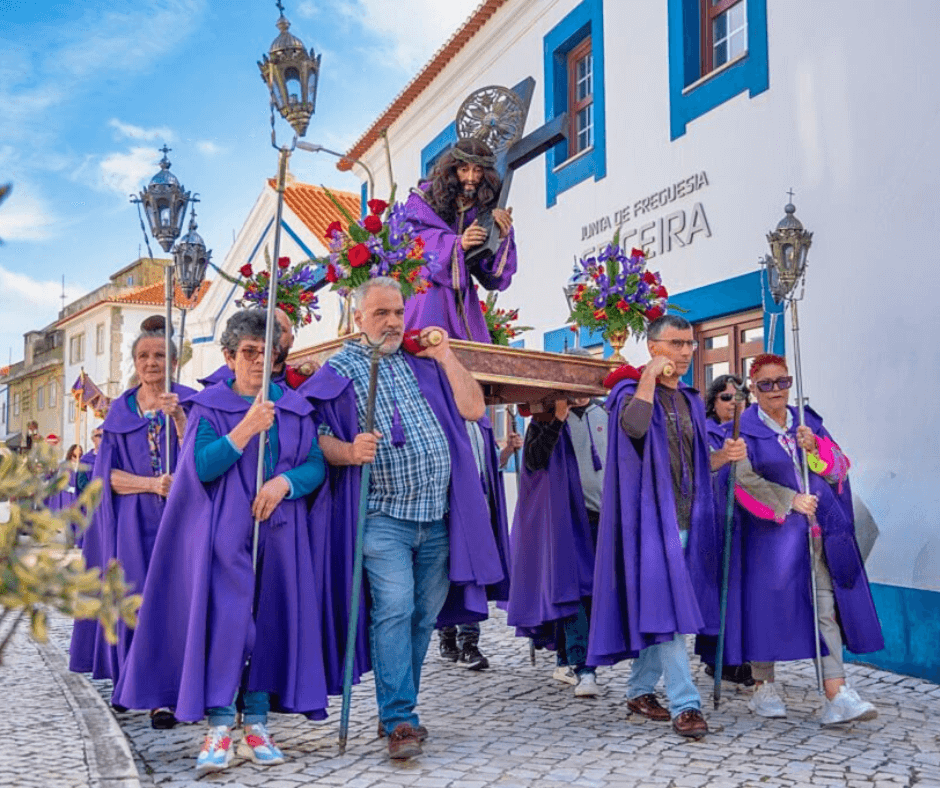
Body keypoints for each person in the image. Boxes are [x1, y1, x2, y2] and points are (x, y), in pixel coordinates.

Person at [112, 310, 329, 774]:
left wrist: (284, 483)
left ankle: (257, 722)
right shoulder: (209, 407)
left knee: (270, 622)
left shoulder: (294, 406)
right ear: (229, 357)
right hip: (225, 534)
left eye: (267, 353)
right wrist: (246, 428)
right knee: (228, 624)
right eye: (248, 352)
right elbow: (201, 467)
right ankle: (219, 724)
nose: (258, 361)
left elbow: (314, 464)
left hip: (281, 532)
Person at [302, 277, 502, 760]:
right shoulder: (340, 369)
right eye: (381, 314)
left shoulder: (423, 363)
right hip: (382, 516)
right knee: (393, 608)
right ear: (358, 319)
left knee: (422, 616)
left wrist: (446, 354)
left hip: (438, 515)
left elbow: (474, 408)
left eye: (397, 312)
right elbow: (313, 436)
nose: (393, 322)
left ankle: (396, 705)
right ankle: (399, 719)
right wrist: (348, 451)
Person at [714, 353, 883, 724]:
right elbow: (742, 479)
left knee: (825, 607)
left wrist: (815, 448)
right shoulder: (742, 429)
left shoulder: (809, 424)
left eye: (783, 382)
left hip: (818, 532)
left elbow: (839, 467)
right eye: (766, 384)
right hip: (768, 538)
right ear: (753, 387)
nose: (776, 390)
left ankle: (836, 694)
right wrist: (789, 500)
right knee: (765, 608)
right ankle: (763, 687)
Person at [588, 315, 721, 739]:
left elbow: (697, 462)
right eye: (675, 343)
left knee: (665, 608)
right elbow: (634, 427)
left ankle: (639, 690)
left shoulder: (691, 400)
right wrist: (647, 375)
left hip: (690, 517)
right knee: (671, 611)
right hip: (651, 522)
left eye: (690, 344)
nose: (684, 352)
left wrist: (725, 457)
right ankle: (686, 704)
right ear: (653, 347)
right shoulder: (628, 393)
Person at [69, 328, 194, 730]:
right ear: (135, 363)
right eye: (144, 356)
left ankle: (162, 697)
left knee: (172, 604)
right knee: (133, 601)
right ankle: (129, 682)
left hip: (181, 521)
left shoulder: (189, 402)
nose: (152, 362)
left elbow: (200, 456)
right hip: (132, 523)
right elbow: (106, 476)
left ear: (174, 362)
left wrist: (179, 419)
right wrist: (152, 484)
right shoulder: (120, 412)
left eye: (160, 355)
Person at [507, 380, 606, 699]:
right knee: (573, 591)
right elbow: (534, 461)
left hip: (603, 517)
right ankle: (584, 667)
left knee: (595, 593)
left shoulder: (606, 414)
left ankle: (567, 657)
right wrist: (558, 419)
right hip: (565, 519)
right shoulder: (544, 419)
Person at [403, 138, 517, 343]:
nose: (471, 178)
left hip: (461, 299)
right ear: (452, 169)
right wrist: (457, 244)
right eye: (464, 170)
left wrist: (499, 236)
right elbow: (412, 240)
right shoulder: (425, 198)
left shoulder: (485, 206)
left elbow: (491, 277)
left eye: (478, 171)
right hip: (427, 290)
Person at [695, 374, 755, 686]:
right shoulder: (703, 431)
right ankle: (718, 658)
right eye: (726, 397)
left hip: (748, 521)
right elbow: (698, 468)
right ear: (714, 401)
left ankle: (745, 655)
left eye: (739, 397)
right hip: (715, 520)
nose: (733, 403)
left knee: (745, 590)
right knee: (718, 590)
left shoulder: (752, 432)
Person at [200, 307, 317, 389]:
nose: (272, 335)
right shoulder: (223, 380)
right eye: (268, 329)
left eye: (280, 330)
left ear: (291, 341)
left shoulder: (302, 380)